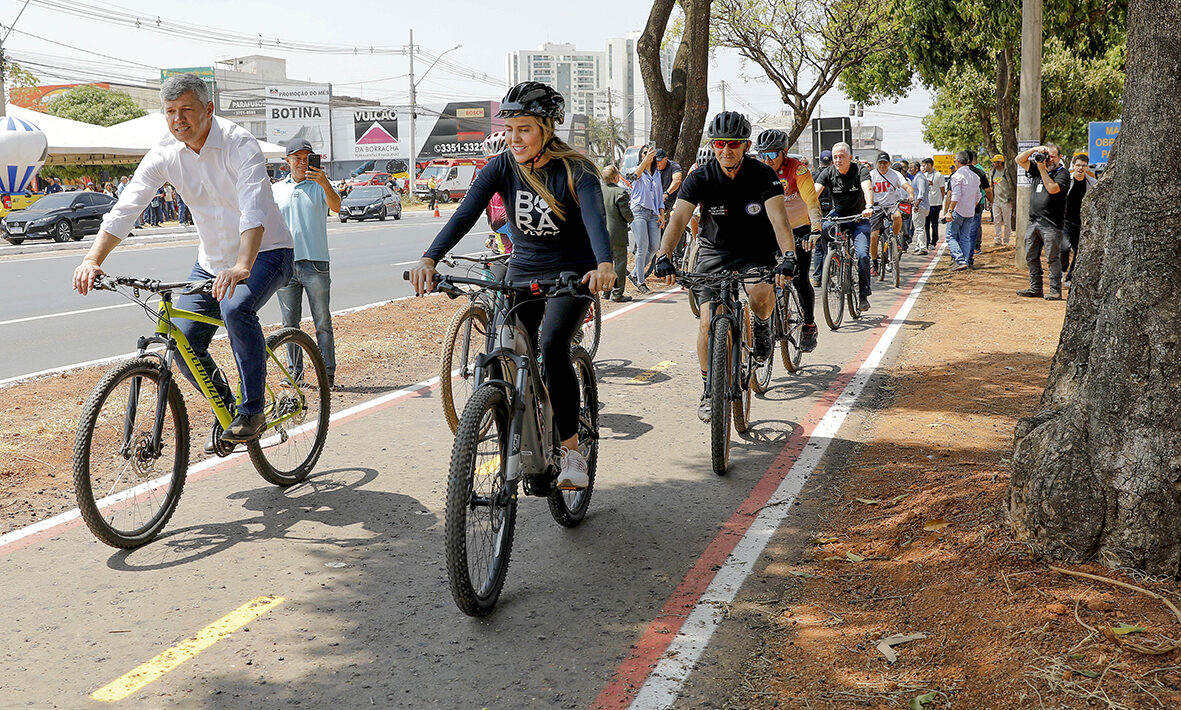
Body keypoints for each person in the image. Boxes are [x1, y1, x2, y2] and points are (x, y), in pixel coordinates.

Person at [409, 81, 613, 491]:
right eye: (510, 128)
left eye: (524, 128)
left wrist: (604, 264)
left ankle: (571, 451)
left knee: (553, 346)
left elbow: (595, 220)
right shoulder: (500, 167)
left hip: (571, 275)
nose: (513, 137)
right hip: (521, 271)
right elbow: (465, 214)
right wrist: (430, 257)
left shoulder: (577, 169)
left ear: (546, 128)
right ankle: (515, 420)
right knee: (505, 343)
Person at [72, 72, 294, 448]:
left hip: (265, 253)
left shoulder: (239, 144)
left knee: (237, 307)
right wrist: (93, 258)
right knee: (181, 337)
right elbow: (128, 207)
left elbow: (253, 210)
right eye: (171, 111)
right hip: (210, 263)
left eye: (187, 110)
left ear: (208, 109)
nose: (178, 119)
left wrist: (241, 266)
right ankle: (228, 408)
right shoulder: (165, 153)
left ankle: (253, 408)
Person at [651, 111, 799, 422]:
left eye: (733, 144)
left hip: (755, 250)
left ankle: (761, 327)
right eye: (719, 143)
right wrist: (663, 254)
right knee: (706, 321)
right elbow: (678, 218)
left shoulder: (762, 175)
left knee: (761, 294)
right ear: (713, 145)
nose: (725, 150)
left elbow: (778, 219)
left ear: (745, 146)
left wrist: (788, 254)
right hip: (713, 250)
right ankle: (708, 389)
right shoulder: (700, 178)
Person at [273, 138, 341, 390]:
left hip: (316, 262)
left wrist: (323, 182)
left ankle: (327, 374)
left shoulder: (320, 185)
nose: (302, 163)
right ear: (287, 161)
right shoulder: (277, 189)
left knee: (322, 321)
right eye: (297, 158)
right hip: (285, 264)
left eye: (306, 158)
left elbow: (336, 207)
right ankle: (294, 373)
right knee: (289, 324)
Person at [754, 128, 821, 352]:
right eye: (763, 155)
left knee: (800, 279)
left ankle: (809, 326)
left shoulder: (798, 169)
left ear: (784, 152)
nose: (767, 160)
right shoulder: (758, 171)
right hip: (770, 229)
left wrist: (816, 228)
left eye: (772, 155)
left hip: (799, 230)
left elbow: (811, 201)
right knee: (760, 276)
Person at [815, 142, 875, 310]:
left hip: (859, 217)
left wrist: (869, 206)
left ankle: (863, 295)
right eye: (835, 157)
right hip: (839, 215)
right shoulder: (828, 173)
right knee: (824, 227)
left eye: (841, 156)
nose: (837, 160)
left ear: (850, 157)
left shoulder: (860, 171)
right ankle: (831, 262)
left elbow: (867, 188)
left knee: (863, 255)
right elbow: (814, 193)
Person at [1015, 142, 1069, 300]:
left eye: (1053, 156)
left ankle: (1055, 290)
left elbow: (1052, 189)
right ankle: (1036, 288)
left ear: (1059, 157)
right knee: (1031, 256)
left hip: (1051, 224)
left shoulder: (1062, 173)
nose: (1049, 159)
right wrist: (1034, 151)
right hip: (1034, 222)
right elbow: (1019, 160)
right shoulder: (1039, 168)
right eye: (1048, 156)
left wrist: (1042, 170)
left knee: (1052, 258)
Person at [868, 151, 914, 277]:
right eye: (880, 163)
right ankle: (874, 263)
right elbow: (865, 189)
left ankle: (895, 237)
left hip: (891, 206)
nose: (882, 165)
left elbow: (906, 186)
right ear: (876, 163)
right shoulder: (871, 175)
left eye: (885, 163)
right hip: (876, 208)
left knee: (898, 216)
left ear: (889, 163)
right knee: (873, 236)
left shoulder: (896, 175)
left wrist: (911, 194)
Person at [628, 145, 665, 294]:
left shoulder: (656, 174)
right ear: (641, 155)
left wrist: (662, 214)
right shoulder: (636, 170)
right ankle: (641, 282)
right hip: (638, 211)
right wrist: (645, 160)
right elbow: (634, 177)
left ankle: (635, 273)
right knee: (642, 247)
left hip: (653, 213)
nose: (649, 154)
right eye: (645, 152)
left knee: (654, 247)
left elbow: (660, 195)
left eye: (651, 152)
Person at [1060, 153, 1097, 283]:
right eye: (1078, 165)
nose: (1081, 168)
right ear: (1073, 166)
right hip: (1064, 221)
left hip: (1081, 222)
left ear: (1087, 167)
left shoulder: (1092, 183)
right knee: (1064, 248)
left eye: (1083, 166)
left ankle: (1070, 277)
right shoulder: (1066, 180)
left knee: (1078, 250)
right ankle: (1062, 271)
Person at [942, 151, 982, 271]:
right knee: (965, 237)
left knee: (950, 236)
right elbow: (978, 196)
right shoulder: (975, 176)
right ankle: (965, 262)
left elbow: (956, 196)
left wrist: (950, 211)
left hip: (958, 211)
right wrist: (971, 206)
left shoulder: (957, 176)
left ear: (958, 162)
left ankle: (959, 260)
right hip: (970, 212)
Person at [601, 165, 634, 303]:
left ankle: (606, 291)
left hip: (602, 234)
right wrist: (631, 218)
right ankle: (617, 293)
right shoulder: (620, 193)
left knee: (606, 263)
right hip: (617, 234)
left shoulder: (598, 191)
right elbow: (626, 214)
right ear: (616, 177)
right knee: (619, 264)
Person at [810, 150, 834, 286]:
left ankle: (818, 277)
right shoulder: (834, 174)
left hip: (817, 214)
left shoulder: (813, 175)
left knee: (819, 247)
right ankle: (827, 276)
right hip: (832, 214)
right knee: (831, 245)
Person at [989, 154, 1013, 245]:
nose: (994, 163)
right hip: (996, 200)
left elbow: (1011, 185)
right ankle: (997, 240)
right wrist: (991, 200)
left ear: (1000, 162)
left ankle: (1006, 240)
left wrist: (1011, 199)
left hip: (1006, 200)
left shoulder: (1006, 172)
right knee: (996, 220)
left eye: (995, 162)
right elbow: (991, 186)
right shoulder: (993, 172)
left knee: (1007, 221)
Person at [922, 159, 944, 248]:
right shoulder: (924, 176)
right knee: (926, 224)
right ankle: (926, 242)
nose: (924, 167)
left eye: (925, 165)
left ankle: (934, 242)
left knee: (934, 223)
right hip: (926, 203)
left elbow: (942, 190)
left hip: (936, 203)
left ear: (930, 165)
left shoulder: (939, 175)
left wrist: (941, 202)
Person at [910, 162, 931, 255]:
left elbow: (921, 193)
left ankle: (922, 248)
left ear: (917, 168)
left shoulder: (919, 178)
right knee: (919, 227)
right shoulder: (918, 177)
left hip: (920, 206)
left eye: (911, 167)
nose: (909, 169)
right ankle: (919, 246)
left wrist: (916, 204)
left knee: (919, 228)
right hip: (921, 206)